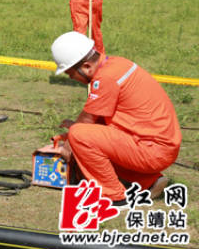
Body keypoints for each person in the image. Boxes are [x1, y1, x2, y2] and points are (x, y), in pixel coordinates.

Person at [50, 31, 181, 206]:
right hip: (159, 145)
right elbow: (95, 118)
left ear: (87, 66)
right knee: (90, 136)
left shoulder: (105, 78)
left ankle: (114, 196)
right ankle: (149, 181)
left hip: (153, 150)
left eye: (70, 73)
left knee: (80, 136)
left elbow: (87, 121)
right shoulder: (117, 64)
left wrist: (69, 143)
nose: (71, 78)